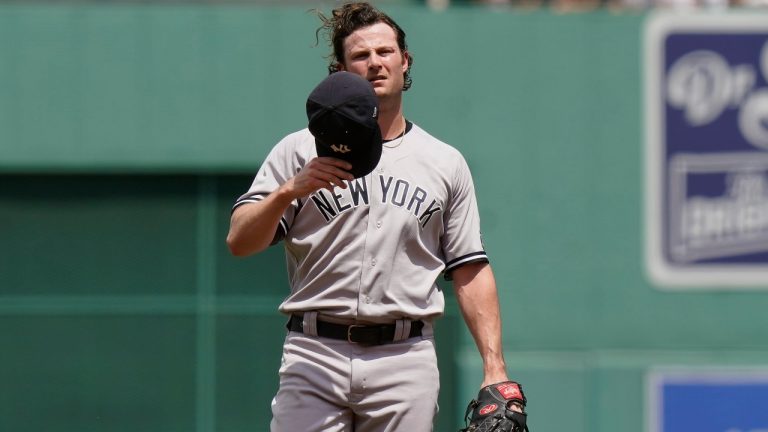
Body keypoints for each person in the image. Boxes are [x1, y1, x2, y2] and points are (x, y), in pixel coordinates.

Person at [227, 2, 517, 430]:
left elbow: (469, 268)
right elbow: (240, 240)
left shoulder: (443, 162)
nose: (375, 63)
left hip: (404, 358)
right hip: (314, 352)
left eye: (385, 52)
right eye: (361, 56)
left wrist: (495, 367)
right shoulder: (298, 151)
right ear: (340, 70)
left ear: (406, 61)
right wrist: (289, 191)